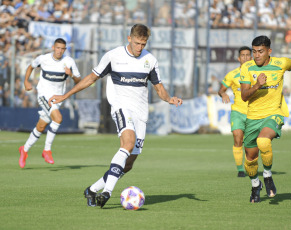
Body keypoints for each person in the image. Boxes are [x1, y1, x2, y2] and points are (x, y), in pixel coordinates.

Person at [49, 24, 183, 208]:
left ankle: (92, 189)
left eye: (143, 44)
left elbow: (158, 87)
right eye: (137, 43)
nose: (140, 47)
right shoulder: (113, 56)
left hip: (140, 113)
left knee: (128, 164)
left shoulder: (150, 60)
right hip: (121, 107)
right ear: (129, 38)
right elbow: (91, 78)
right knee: (127, 144)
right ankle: (107, 192)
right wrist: (65, 95)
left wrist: (169, 99)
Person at [240, 35, 291, 203]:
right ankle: (255, 184)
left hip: (274, 113)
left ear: (269, 51)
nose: (256, 55)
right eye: (254, 52)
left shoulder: (281, 63)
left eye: (260, 52)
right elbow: (244, 96)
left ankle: (268, 175)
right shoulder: (247, 68)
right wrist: (257, 85)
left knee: (264, 141)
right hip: (252, 117)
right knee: (249, 161)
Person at [18, 38, 81, 168]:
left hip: (57, 99)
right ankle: (47, 150)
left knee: (41, 126)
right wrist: (26, 81)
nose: (59, 51)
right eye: (57, 48)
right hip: (43, 95)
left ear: (65, 50)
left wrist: (71, 75)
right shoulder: (43, 59)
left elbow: (78, 81)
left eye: (62, 49)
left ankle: (24, 149)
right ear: (53, 47)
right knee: (58, 118)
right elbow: (30, 67)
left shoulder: (68, 62)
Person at [218, 46, 252, 178]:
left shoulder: (256, 73)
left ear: (251, 57)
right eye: (242, 55)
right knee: (238, 137)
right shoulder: (232, 75)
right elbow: (221, 89)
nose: (245, 57)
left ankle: (250, 166)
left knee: (251, 144)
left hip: (253, 112)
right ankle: (240, 170)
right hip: (237, 111)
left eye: (248, 55)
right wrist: (223, 94)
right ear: (239, 58)